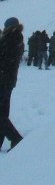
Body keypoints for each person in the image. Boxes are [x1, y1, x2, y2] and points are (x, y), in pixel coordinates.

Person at [0, 17, 24, 151]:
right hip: (8, 80)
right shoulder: (16, 38)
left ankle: (15, 138)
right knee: (3, 113)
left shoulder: (10, 39)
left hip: (3, 80)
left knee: (1, 115)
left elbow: (4, 59)